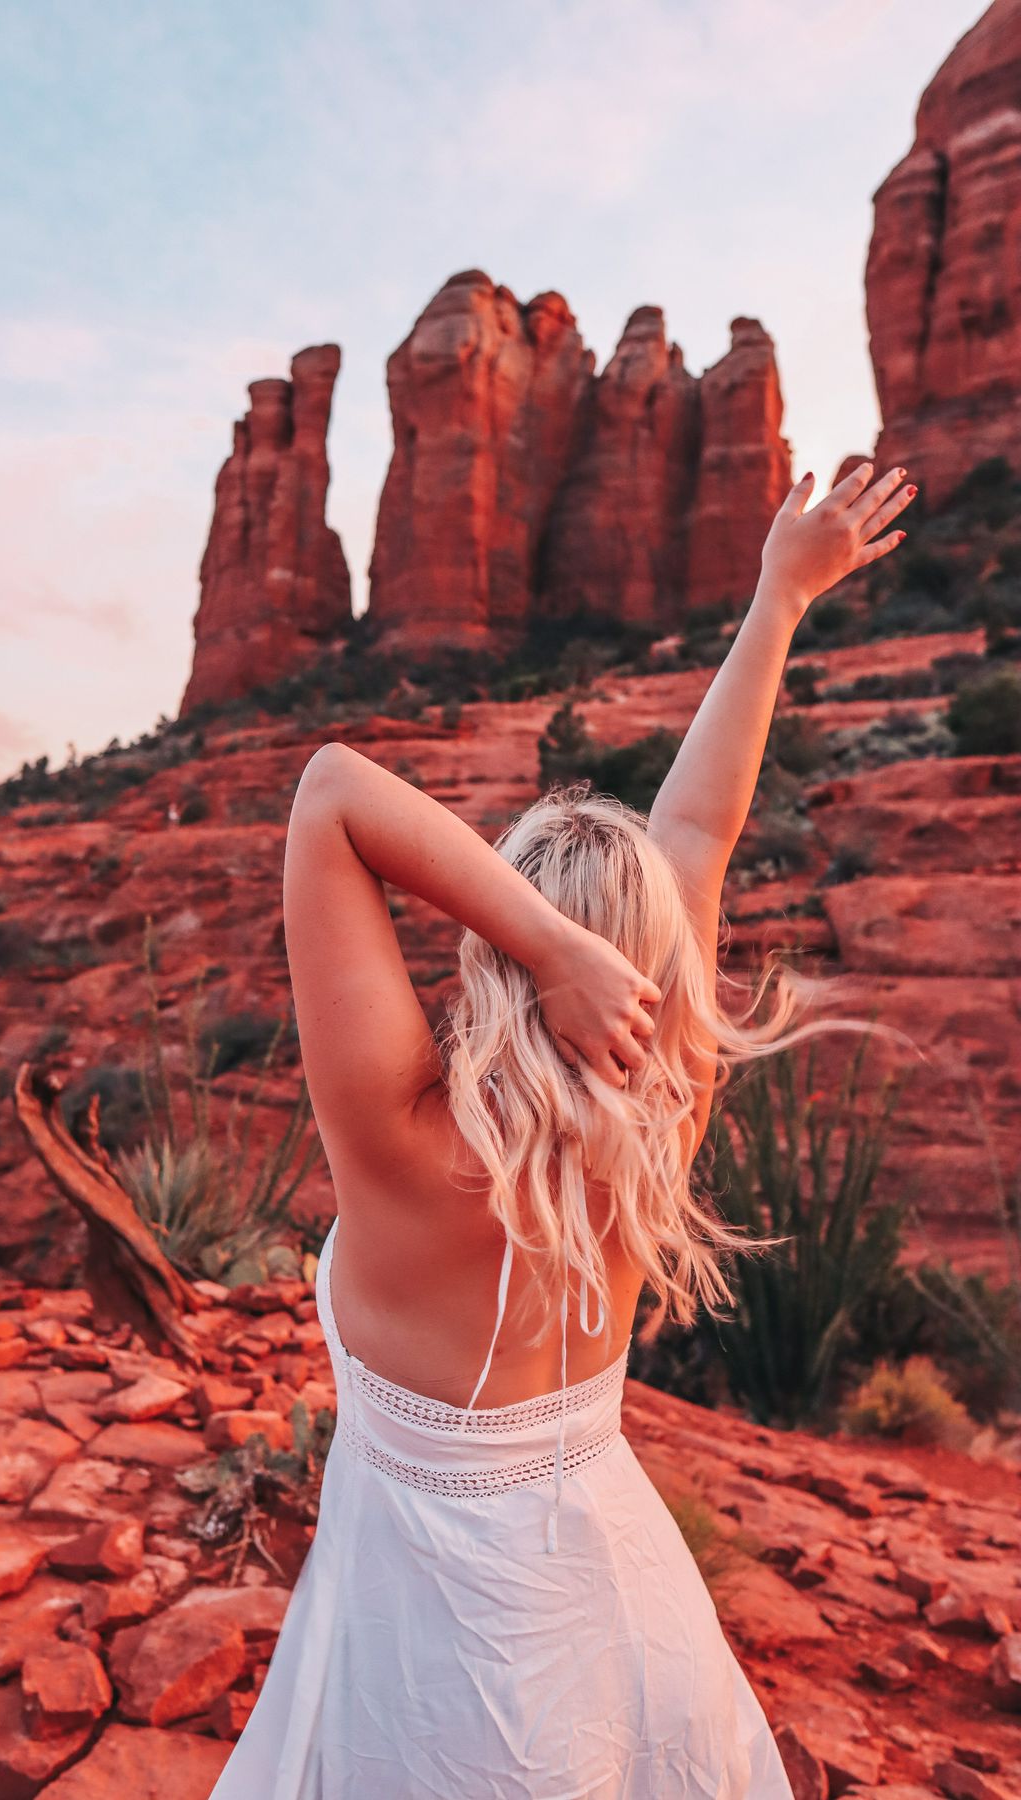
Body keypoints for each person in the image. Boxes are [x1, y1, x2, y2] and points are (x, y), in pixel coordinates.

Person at [207, 460, 917, 1798]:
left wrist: (541, 943)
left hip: (432, 1659)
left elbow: (332, 792)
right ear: (644, 960)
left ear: (496, 938)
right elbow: (696, 830)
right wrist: (776, 598)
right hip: (612, 1596)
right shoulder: (667, 1097)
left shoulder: (403, 1145)